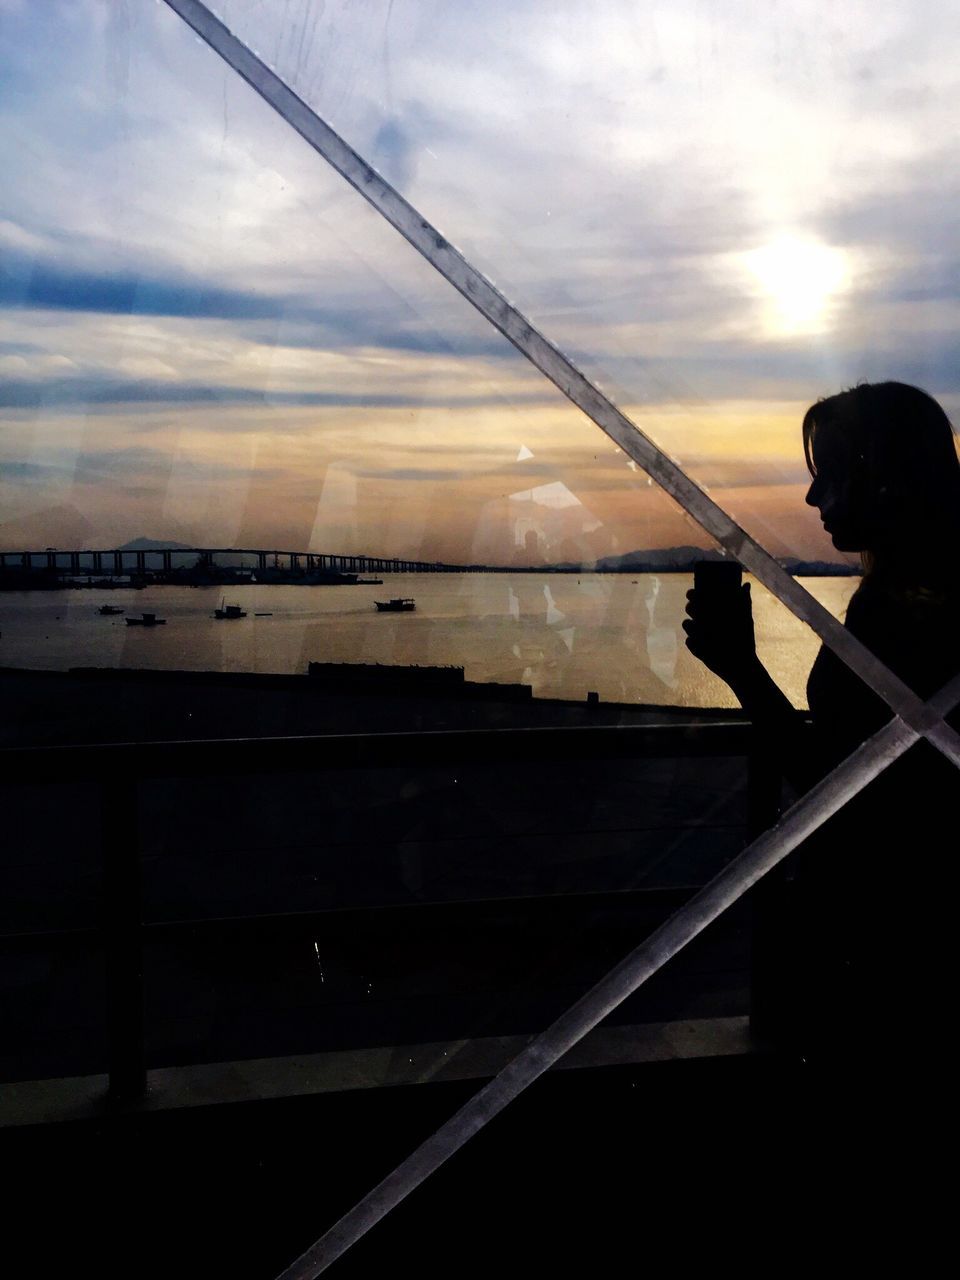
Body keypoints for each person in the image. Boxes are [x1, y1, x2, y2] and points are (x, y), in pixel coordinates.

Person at [682, 381, 960, 1069]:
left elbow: (844, 794)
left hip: (882, 947)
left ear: (886, 482)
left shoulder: (898, 617)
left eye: (830, 479)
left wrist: (743, 671)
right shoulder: (924, 599)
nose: (812, 501)